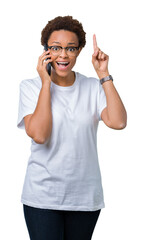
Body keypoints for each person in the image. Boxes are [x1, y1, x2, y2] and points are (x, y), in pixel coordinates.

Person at [17, 16, 127, 240]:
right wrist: (46, 83)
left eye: (70, 48)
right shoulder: (30, 87)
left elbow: (118, 122)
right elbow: (39, 134)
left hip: (85, 197)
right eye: (55, 48)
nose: (63, 55)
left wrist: (104, 74)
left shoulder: (92, 87)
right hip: (42, 197)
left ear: (79, 51)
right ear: (46, 50)